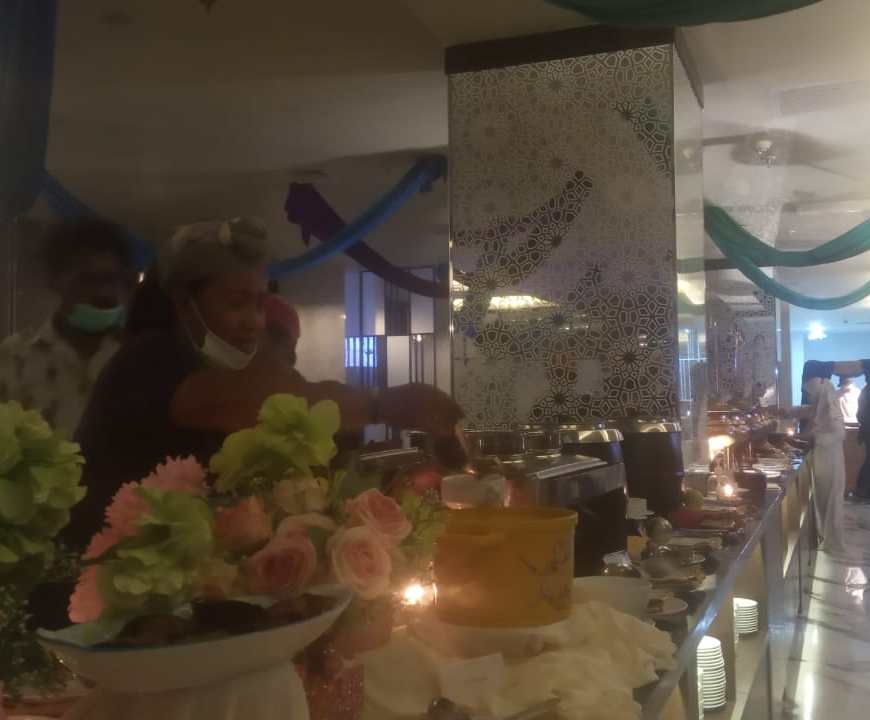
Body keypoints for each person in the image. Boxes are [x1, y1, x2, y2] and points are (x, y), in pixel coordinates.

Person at [67, 217, 462, 550]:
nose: (254, 323)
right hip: (103, 576)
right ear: (184, 304)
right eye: (237, 304)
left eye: (260, 304)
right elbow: (263, 406)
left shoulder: (223, 366)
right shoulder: (146, 360)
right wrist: (382, 405)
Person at [0, 219, 134, 436]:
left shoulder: (136, 356)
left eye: (110, 279)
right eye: (87, 280)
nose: (103, 293)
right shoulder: (15, 358)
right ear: (55, 281)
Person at [781, 369, 847, 554]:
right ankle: (825, 535)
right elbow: (807, 410)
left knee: (831, 501)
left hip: (830, 461)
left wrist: (811, 438)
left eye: (809, 394)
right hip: (823, 460)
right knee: (823, 501)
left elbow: (838, 433)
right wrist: (784, 412)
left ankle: (832, 541)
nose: (809, 398)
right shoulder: (821, 403)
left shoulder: (830, 407)